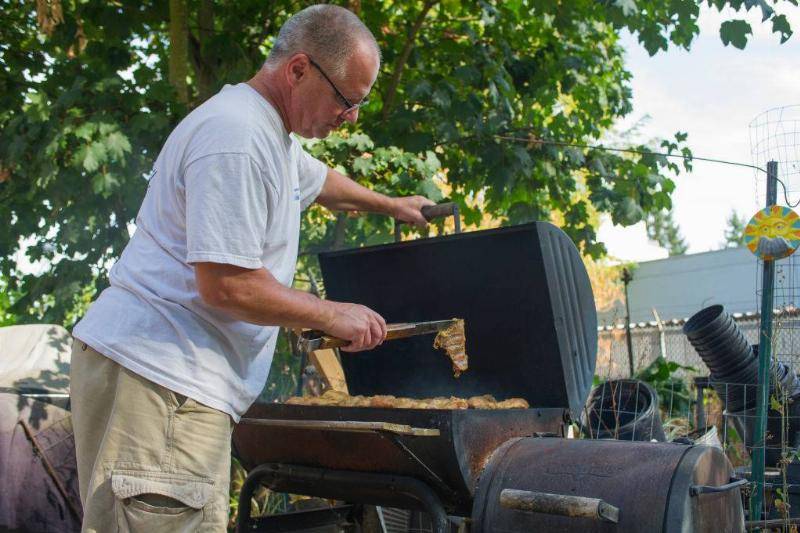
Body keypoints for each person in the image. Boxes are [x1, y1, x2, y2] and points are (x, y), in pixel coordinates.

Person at [70, 5, 434, 531]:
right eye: (347, 100)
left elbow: (322, 183)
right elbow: (227, 285)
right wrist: (331, 314)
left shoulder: (270, 134)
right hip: (163, 386)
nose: (351, 116)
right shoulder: (237, 138)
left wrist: (392, 204)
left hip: (167, 386)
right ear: (299, 69)